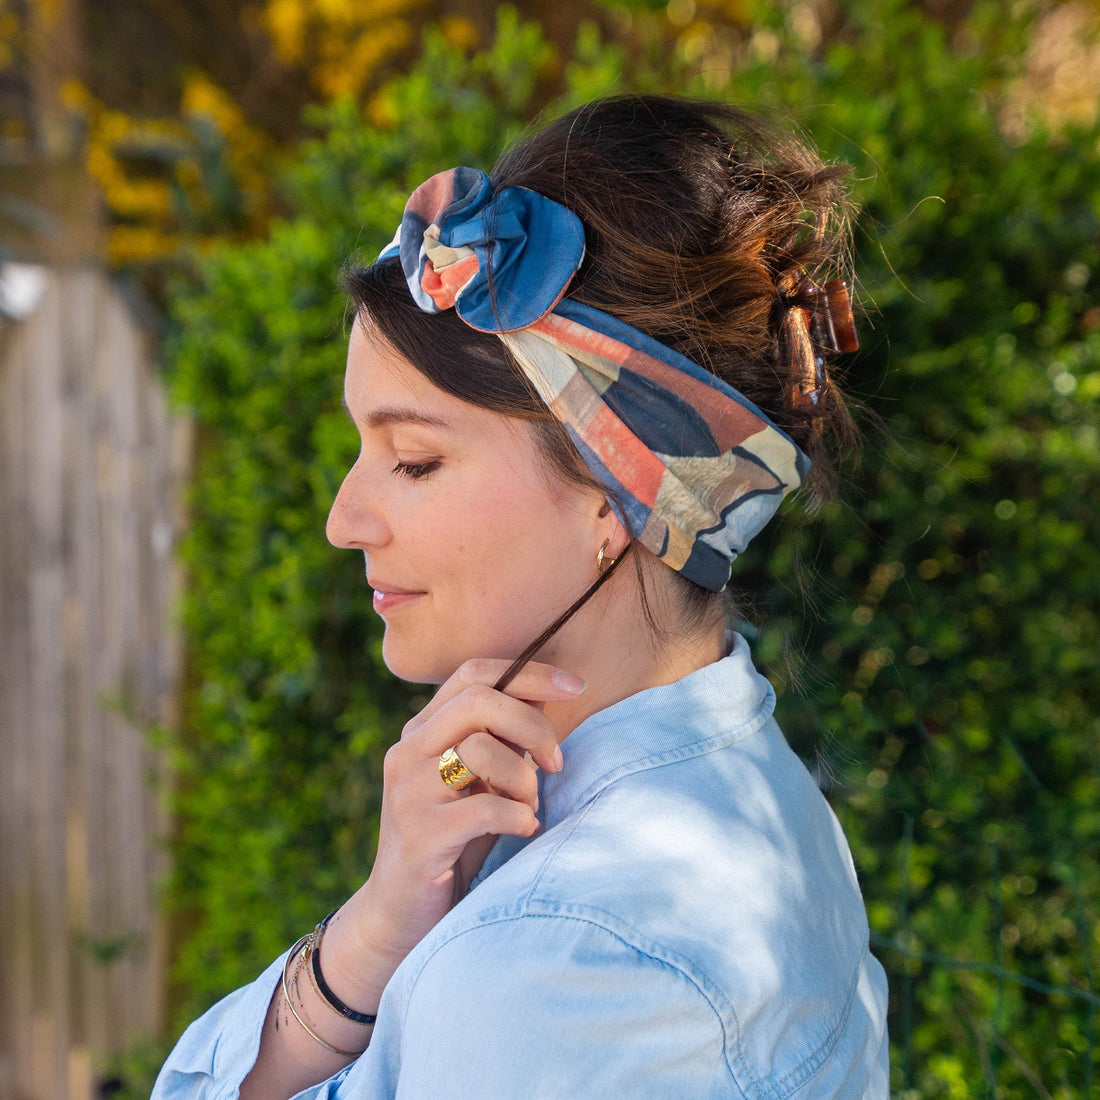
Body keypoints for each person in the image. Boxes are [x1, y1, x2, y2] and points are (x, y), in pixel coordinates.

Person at [153, 94, 889, 1099]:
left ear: (612, 494)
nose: (343, 519)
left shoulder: (561, 961)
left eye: (412, 459)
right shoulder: (744, 791)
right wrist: (367, 938)